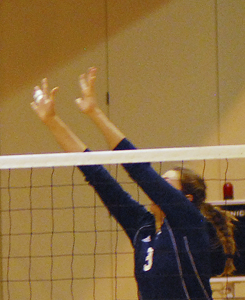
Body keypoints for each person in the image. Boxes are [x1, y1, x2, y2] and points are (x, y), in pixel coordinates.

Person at [30, 67, 233, 299]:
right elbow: (97, 175)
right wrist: (52, 120)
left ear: (185, 200)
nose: (159, 185)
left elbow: (139, 168)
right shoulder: (142, 228)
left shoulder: (189, 224)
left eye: (166, 182)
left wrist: (95, 113)